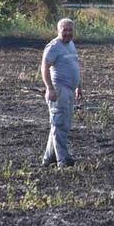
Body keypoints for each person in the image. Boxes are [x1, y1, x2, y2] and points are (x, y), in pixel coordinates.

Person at [41, 18, 82, 168]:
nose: (68, 33)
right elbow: (44, 68)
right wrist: (50, 88)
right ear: (58, 30)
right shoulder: (53, 47)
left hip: (70, 90)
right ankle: (62, 160)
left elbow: (75, 64)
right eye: (65, 30)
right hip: (59, 90)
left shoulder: (71, 44)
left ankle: (48, 158)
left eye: (70, 30)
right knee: (60, 125)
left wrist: (79, 86)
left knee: (59, 125)